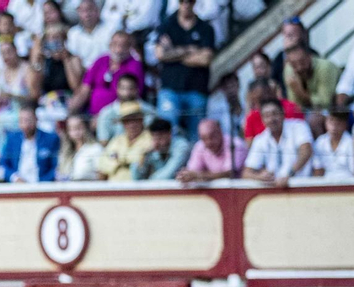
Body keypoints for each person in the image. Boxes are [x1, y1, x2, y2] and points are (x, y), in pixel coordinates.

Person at [154, 0, 213, 138]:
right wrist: (189, 49)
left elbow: (205, 59)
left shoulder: (205, 28)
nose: (186, 4)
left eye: (189, 1)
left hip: (196, 89)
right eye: (182, 1)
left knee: (197, 135)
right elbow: (160, 54)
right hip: (170, 88)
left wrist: (173, 53)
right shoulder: (167, 26)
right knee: (166, 130)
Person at [242, 98, 313, 183]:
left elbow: (306, 151)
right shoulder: (260, 139)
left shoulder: (298, 126)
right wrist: (260, 177)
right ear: (262, 119)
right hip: (274, 190)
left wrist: (289, 174)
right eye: (267, 116)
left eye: (275, 114)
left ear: (283, 113)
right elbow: (246, 173)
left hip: (301, 186)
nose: (271, 119)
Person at [0, 104, 58, 181]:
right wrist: (15, 178)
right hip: (16, 186)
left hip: (42, 186)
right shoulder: (12, 138)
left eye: (28, 120)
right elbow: (3, 164)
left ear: (36, 120)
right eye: (21, 120)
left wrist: (42, 182)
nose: (25, 125)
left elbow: (55, 167)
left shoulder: (50, 139)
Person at [98, 100, 153, 180]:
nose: (132, 124)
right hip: (113, 188)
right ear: (123, 123)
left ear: (142, 120)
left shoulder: (150, 139)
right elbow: (102, 167)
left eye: (135, 119)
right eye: (127, 121)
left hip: (139, 189)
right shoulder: (116, 141)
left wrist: (117, 161)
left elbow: (144, 166)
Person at [177, 117, 245, 182]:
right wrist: (186, 176)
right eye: (204, 138)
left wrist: (199, 175)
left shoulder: (235, 144)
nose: (208, 142)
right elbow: (192, 171)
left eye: (212, 137)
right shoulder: (199, 146)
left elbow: (229, 173)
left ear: (220, 132)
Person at [311, 107, 354, 178]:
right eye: (331, 121)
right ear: (326, 122)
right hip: (325, 183)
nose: (334, 127)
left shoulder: (350, 142)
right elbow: (317, 169)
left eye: (338, 123)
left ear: (345, 124)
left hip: (347, 181)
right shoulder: (320, 141)